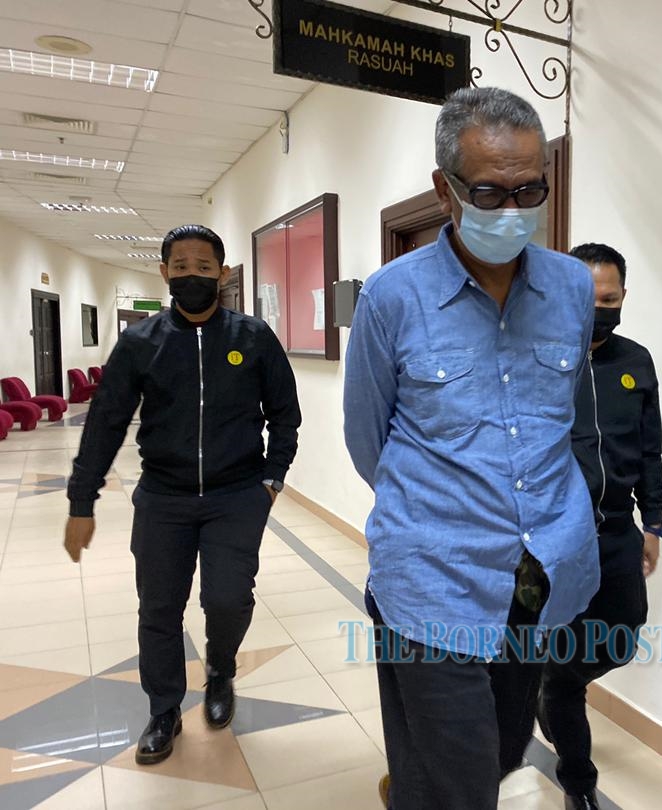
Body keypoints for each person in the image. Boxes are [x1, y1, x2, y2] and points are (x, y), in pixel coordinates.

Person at [343, 86, 598, 810]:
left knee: (500, 751)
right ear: (444, 188)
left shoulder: (573, 287)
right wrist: (436, 510)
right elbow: (369, 440)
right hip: (431, 578)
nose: (513, 209)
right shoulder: (391, 298)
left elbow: (561, 415)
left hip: (537, 576)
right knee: (461, 777)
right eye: (489, 191)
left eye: (531, 189)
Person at [64, 224, 301, 765]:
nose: (191, 276)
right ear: (164, 272)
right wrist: (82, 500)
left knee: (227, 598)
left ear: (221, 272)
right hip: (163, 498)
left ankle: (220, 670)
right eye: (180, 266)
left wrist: (272, 478)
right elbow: (105, 423)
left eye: (202, 267)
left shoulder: (252, 337)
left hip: (237, 495)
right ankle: (164, 707)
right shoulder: (140, 343)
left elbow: (285, 414)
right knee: (160, 608)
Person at [539, 243, 662, 810]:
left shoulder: (635, 361)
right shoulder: (535, 356)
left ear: (623, 297)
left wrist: (654, 520)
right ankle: (579, 782)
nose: (600, 308)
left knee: (623, 633)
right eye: (589, 299)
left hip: (617, 529)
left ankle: (556, 683)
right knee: (550, 654)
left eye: (610, 299)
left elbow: (650, 446)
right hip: (550, 536)